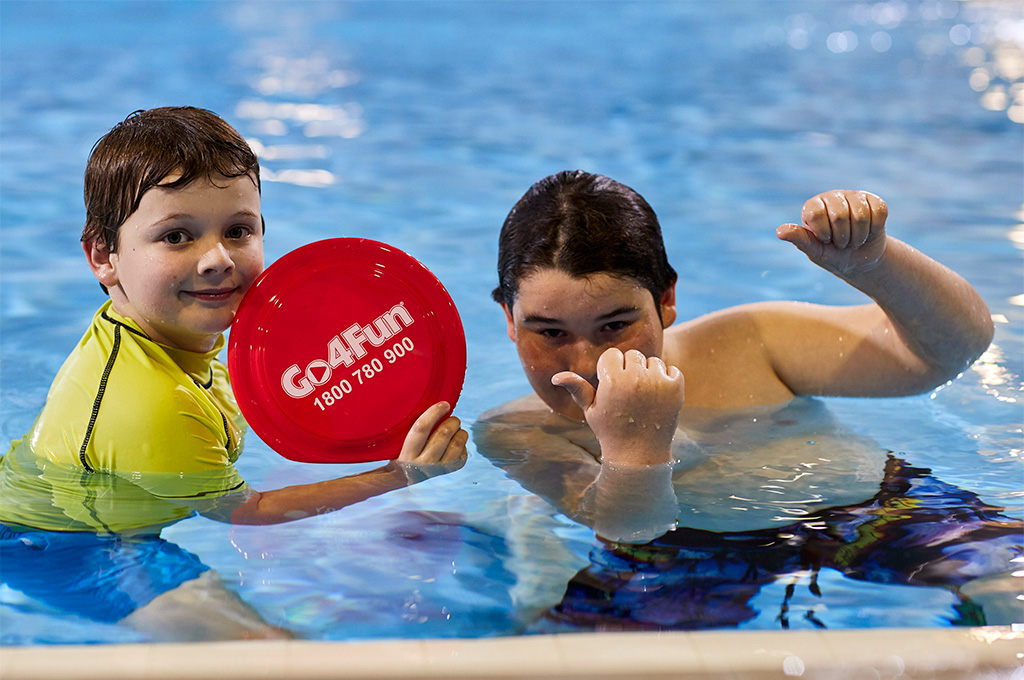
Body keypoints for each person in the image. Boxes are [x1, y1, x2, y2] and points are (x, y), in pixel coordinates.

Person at [0, 107, 467, 640]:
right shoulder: (153, 402)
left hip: (87, 517)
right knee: (275, 655)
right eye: (177, 236)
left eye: (238, 230)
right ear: (104, 256)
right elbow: (247, 513)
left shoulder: (166, 334)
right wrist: (401, 474)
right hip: (67, 547)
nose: (217, 259)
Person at [475, 170, 1017, 629]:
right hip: (680, 559)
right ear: (509, 320)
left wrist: (875, 264)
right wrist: (634, 449)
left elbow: (949, 353)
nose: (587, 362)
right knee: (560, 653)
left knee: (1010, 583)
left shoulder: (748, 343)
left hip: (867, 510)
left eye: (615, 325)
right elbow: (628, 529)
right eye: (550, 332)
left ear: (666, 300)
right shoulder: (520, 433)